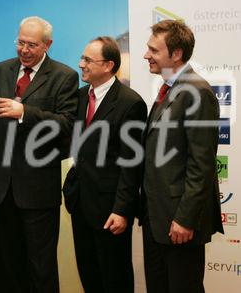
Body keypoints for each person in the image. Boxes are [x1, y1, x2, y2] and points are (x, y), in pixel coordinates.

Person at [0, 16, 78, 292]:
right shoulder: (1, 70)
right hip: (3, 189)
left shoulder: (64, 76)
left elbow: (67, 124)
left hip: (38, 191)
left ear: (47, 45)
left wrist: (25, 112)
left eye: (32, 45)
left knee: (41, 268)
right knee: (10, 266)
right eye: (20, 42)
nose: (24, 50)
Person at [141, 19, 223, 293]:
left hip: (179, 222)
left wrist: (186, 219)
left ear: (176, 54)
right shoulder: (168, 89)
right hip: (158, 219)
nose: (146, 55)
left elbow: (201, 165)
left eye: (154, 50)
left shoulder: (197, 92)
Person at [63, 36, 147, 292]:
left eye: (88, 60)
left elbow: (131, 164)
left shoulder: (130, 103)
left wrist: (122, 209)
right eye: (82, 58)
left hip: (110, 210)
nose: (81, 64)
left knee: (114, 278)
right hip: (81, 205)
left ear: (108, 65)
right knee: (89, 277)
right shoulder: (77, 98)